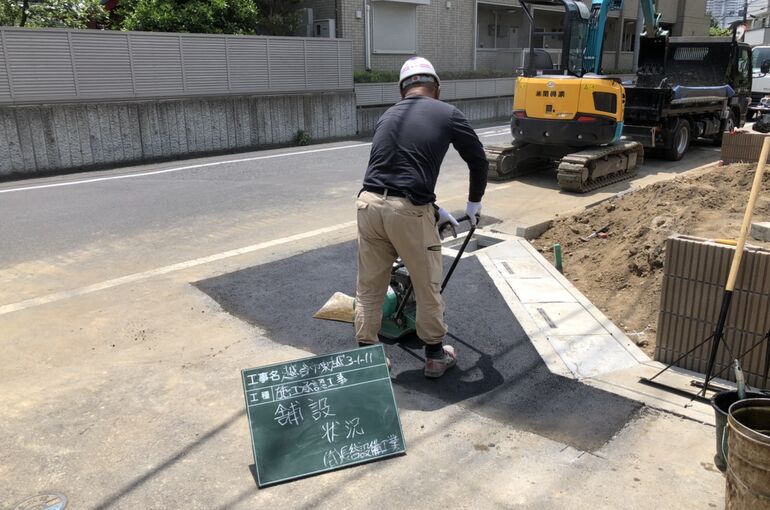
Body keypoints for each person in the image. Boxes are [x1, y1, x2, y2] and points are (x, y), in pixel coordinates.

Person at [355, 56, 488, 378]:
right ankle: (434, 356)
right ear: (436, 89)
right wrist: (473, 203)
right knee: (426, 284)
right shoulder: (448, 113)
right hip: (408, 212)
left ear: (403, 90)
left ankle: (368, 358)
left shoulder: (388, 115)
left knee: (370, 286)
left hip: (368, 205)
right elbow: (479, 160)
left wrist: (434, 207)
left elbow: (397, 169)